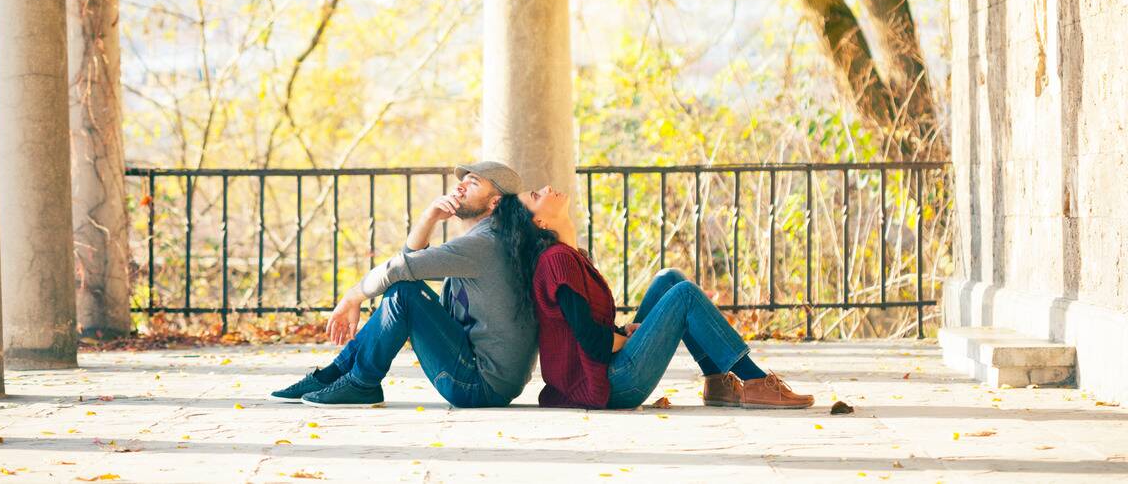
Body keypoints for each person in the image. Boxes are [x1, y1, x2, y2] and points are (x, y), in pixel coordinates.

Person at [517, 184, 815, 410]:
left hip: (604, 369)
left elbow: (583, 328)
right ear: (540, 223)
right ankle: (755, 382)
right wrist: (627, 339)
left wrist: (622, 332)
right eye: (535, 194)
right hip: (608, 385)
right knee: (684, 295)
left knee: (669, 279)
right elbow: (593, 343)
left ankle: (717, 382)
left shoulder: (570, 255)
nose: (545, 188)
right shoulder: (557, 261)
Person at [269, 161, 539, 408]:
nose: (461, 185)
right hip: (481, 377)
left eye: (473, 183)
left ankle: (361, 383)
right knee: (404, 289)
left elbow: (400, 269)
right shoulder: (493, 236)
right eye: (464, 179)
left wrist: (352, 296)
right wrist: (430, 217)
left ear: (494, 202)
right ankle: (336, 374)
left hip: (478, 386)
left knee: (404, 294)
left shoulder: (485, 243)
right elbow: (410, 265)